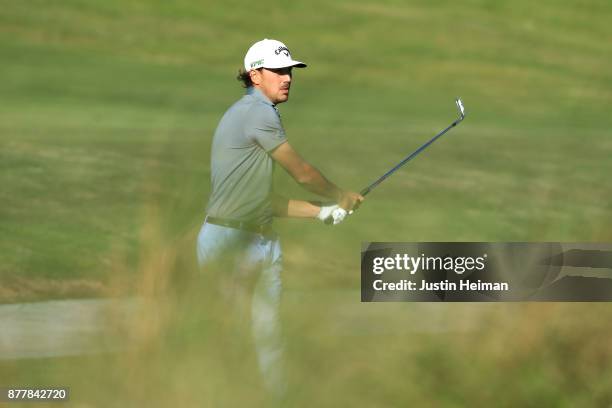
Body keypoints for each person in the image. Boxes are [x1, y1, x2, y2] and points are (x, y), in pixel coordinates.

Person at [196, 38, 363, 398]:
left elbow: (262, 199)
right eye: (278, 70)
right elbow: (301, 172)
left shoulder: (258, 113)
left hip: (260, 238)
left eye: (289, 71)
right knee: (233, 337)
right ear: (255, 75)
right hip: (230, 241)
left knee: (270, 337)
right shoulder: (257, 113)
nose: (287, 78)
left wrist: (322, 213)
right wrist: (339, 195)